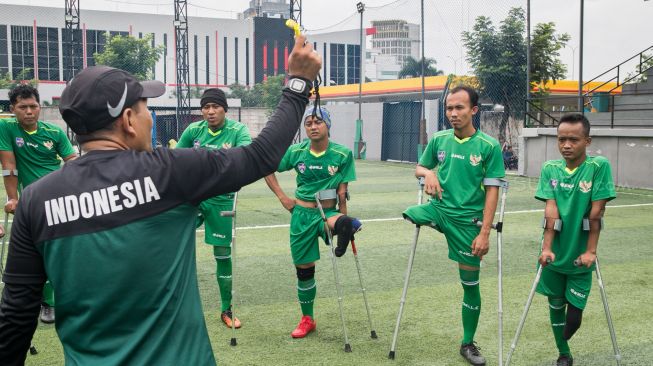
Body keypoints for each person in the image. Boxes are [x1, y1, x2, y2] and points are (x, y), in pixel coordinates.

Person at [0, 32, 320, 365]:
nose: (149, 118)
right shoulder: (170, 172)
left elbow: (17, 314)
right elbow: (262, 155)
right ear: (127, 121)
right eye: (144, 109)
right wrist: (298, 83)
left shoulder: (36, 200)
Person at [402, 86, 505, 366]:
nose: (453, 113)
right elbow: (419, 169)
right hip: (438, 209)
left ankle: (468, 343)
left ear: (473, 110)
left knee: (470, 284)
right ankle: (437, 222)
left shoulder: (488, 146)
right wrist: (430, 172)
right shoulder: (439, 139)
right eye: (449, 108)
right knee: (409, 212)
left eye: (459, 108)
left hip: (468, 222)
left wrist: (485, 232)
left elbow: (493, 191)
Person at [264, 106, 357, 339]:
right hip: (302, 215)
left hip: (328, 213)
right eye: (308, 123)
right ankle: (308, 319)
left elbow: (343, 191)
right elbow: (267, 167)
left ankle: (344, 226)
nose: (313, 127)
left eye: (318, 122)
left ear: (327, 125)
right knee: (304, 271)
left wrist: (343, 212)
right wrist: (282, 198)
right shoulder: (296, 152)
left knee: (341, 221)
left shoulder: (343, 154)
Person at [535, 113, 616, 366]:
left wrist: (591, 251)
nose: (566, 145)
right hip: (555, 253)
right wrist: (547, 248)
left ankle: (565, 339)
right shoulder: (550, 168)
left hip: (581, 254)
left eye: (573, 139)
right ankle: (564, 353)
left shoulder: (597, 166)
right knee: (555, 305)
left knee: (574, 318)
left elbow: (597, 210)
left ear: (587, 141)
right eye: (561, 140)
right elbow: (551, 210)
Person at [0, 84, 78, 324]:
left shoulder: (54, 132)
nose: (29, 111)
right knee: (39, 251)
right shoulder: (6, 127)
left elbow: (73, 161)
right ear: (12, 109)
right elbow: (9, 165)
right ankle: (47, 302)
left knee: (64, 249)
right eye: (22, 107)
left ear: (40, 107)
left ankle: (69, 295)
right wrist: (13, 197)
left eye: (33, 106)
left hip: (59, 198)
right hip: (31, 202)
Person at [177, 88, 252, 329]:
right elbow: (177, 159)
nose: (210, 112)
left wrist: (205, 163)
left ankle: (226, 309)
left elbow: (244, 159)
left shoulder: (238, 131)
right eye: (205, 107)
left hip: (222, 199)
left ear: (224, 109)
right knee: (172, 244)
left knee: (223, 255)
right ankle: (172, 306)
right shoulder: (193, 131)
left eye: (215, 107)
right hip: (195, 197)